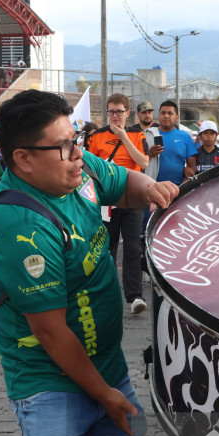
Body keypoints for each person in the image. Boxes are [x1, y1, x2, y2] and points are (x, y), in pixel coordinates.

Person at [0, 89, 177, 436]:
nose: (78, 153)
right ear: (23, 159)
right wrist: (107, 395)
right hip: (49, 383)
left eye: (77, 141)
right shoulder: (17, 223)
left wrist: (154, 189)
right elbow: (51, 333)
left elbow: (126, 183)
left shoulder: (77, 167)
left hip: (106, 367)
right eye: (65, 147)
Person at [86, 93, 150, 315]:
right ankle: (107, 296)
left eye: (119, 111)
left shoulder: (137, 134)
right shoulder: (97, 137)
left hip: (132, 198)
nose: (115, 116)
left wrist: (123, 137)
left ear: (127, 113)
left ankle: (135, 297)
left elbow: (143, 162)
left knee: (132, 248)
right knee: (107, 249)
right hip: (107, 200)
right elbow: (88, 166)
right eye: (111, 111)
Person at [154, 100, 197, 186]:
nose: (166, 116)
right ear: (158, 116)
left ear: (177, 117)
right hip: (153, 189)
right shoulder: (149, 134)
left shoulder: (185, 137)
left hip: (178, 189)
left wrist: (182, 187)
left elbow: (192, 167)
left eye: (170, 113)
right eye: (163, 113)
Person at [127, 100, 160, 180]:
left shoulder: (159, 129)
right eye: (144, 112)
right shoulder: (132, 132)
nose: (147, 115)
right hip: (138, 176)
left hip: (158, 175)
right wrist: (148, 153)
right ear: (138, 114)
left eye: (149, 112)